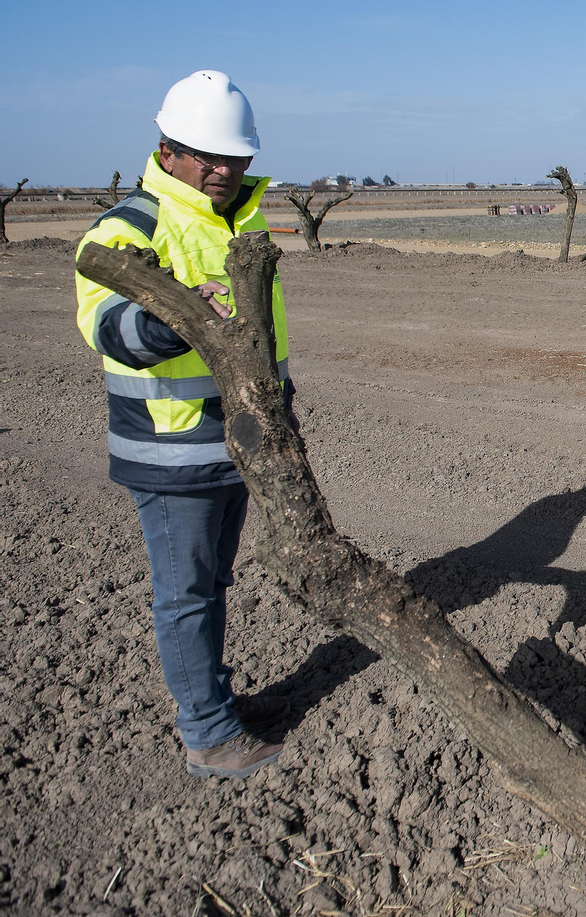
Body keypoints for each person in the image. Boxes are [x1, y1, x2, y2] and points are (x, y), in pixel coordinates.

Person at [75, 71, 292, 779]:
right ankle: (208, 735)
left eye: (237, 158)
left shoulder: (244, 221)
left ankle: (213, 704)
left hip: (241, 444)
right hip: (173, 451)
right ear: (167, 151)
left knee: (210, 583)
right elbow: (109, 329)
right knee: (187, 592)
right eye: (210, 156)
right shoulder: (126, 229)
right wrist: (176, 313)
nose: (226, 170)